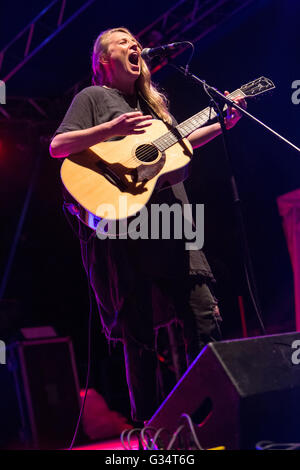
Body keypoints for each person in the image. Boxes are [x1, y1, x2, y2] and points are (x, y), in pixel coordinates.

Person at [50, 27, 246, 424]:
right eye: (122, 41)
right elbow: (59, 147)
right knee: (138, 339)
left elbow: (179, 147)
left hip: (173, 227)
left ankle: (210, 420)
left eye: (135, 41)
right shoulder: (92, 98)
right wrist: (111, 130)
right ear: (104, 60)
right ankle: (151, 430)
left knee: (205, 319)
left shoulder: (154, 106)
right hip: (128, 235)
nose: (133, 44)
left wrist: (223, 122)